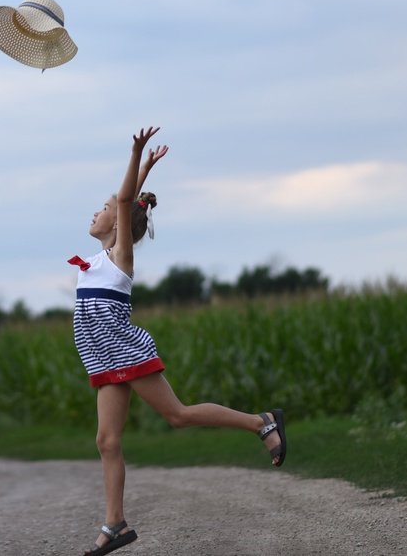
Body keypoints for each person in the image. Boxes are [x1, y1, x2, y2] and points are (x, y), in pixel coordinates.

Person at [70, 126, 287, 555]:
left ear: (118, 222)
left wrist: (136, 157)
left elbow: (126, 201)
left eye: (103, 208)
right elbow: (126, 202)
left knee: (179, 415)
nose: (96, 212)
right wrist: (146, 168)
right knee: (106, 441)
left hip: (126, 353)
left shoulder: (119, 259)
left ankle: (262, 422)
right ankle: (116, 524)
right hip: (103, 360)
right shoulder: (93, 262)